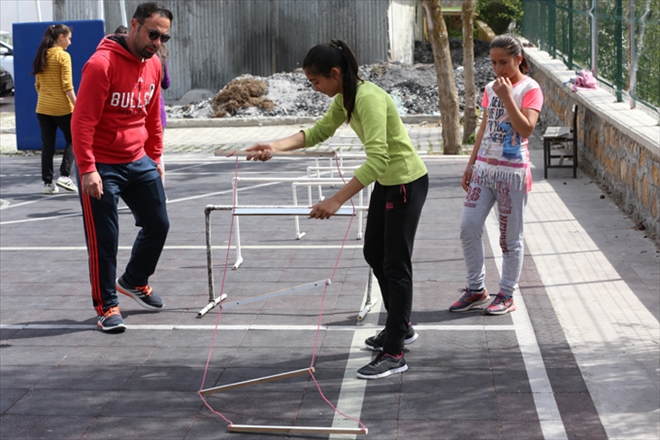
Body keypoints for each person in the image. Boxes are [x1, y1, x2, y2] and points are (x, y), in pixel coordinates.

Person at [246, 39, 428, 380]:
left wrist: (336, 199)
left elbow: (379, 160)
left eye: (317, 82)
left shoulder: (369, 99)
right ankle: (400, 328)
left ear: (335, 73)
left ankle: (394, 351)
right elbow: (317, 132)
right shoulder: (346, 97)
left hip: (405, 181)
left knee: (395, 264)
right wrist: (274, 146)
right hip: (388, 182)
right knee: (375, 252)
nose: (315, 89)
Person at [71, 2, 173, 332]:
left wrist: (155, 157)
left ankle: (134, 280)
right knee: (105, 240)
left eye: (163, 37)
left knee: (158, 224)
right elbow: (82, 122)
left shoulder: (154, 64)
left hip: (138, 159)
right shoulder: (101, 65)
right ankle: (107, 306)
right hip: (101, 163)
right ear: (134, 25)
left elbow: (152, 116)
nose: (157, 42)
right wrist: (87, 169)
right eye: (152, 34)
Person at [449, 34, 544, 316]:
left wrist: (507, 97)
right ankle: (476, 288)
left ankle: (506, 294)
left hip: (512, 174)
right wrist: (471, 162)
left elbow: (526, 128)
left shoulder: (531, 88)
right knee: (468, 227)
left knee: (509, 239)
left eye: (504, 62)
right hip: (484, 170)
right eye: (494, 62)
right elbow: (485, 126)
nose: (499, 68)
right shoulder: (490, 88)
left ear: (518, 60)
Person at [31, 24, 78, 194]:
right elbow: (67, 86)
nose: (70, 42)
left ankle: (48, 184)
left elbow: (38, 85)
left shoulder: (42, 55)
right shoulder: (63, 57)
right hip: (63, 108)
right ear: (61, 37)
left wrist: (47, 97)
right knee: (74, 140)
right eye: (69, 38)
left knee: (47, 146)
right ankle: (65, 176)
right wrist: (78, 105)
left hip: (42, 108)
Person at [156, 43, 170, 188]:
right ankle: (160, 191)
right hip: (158, 114)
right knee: (158, 153)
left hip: (144, 114)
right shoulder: (160, 55)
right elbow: (166, 82)